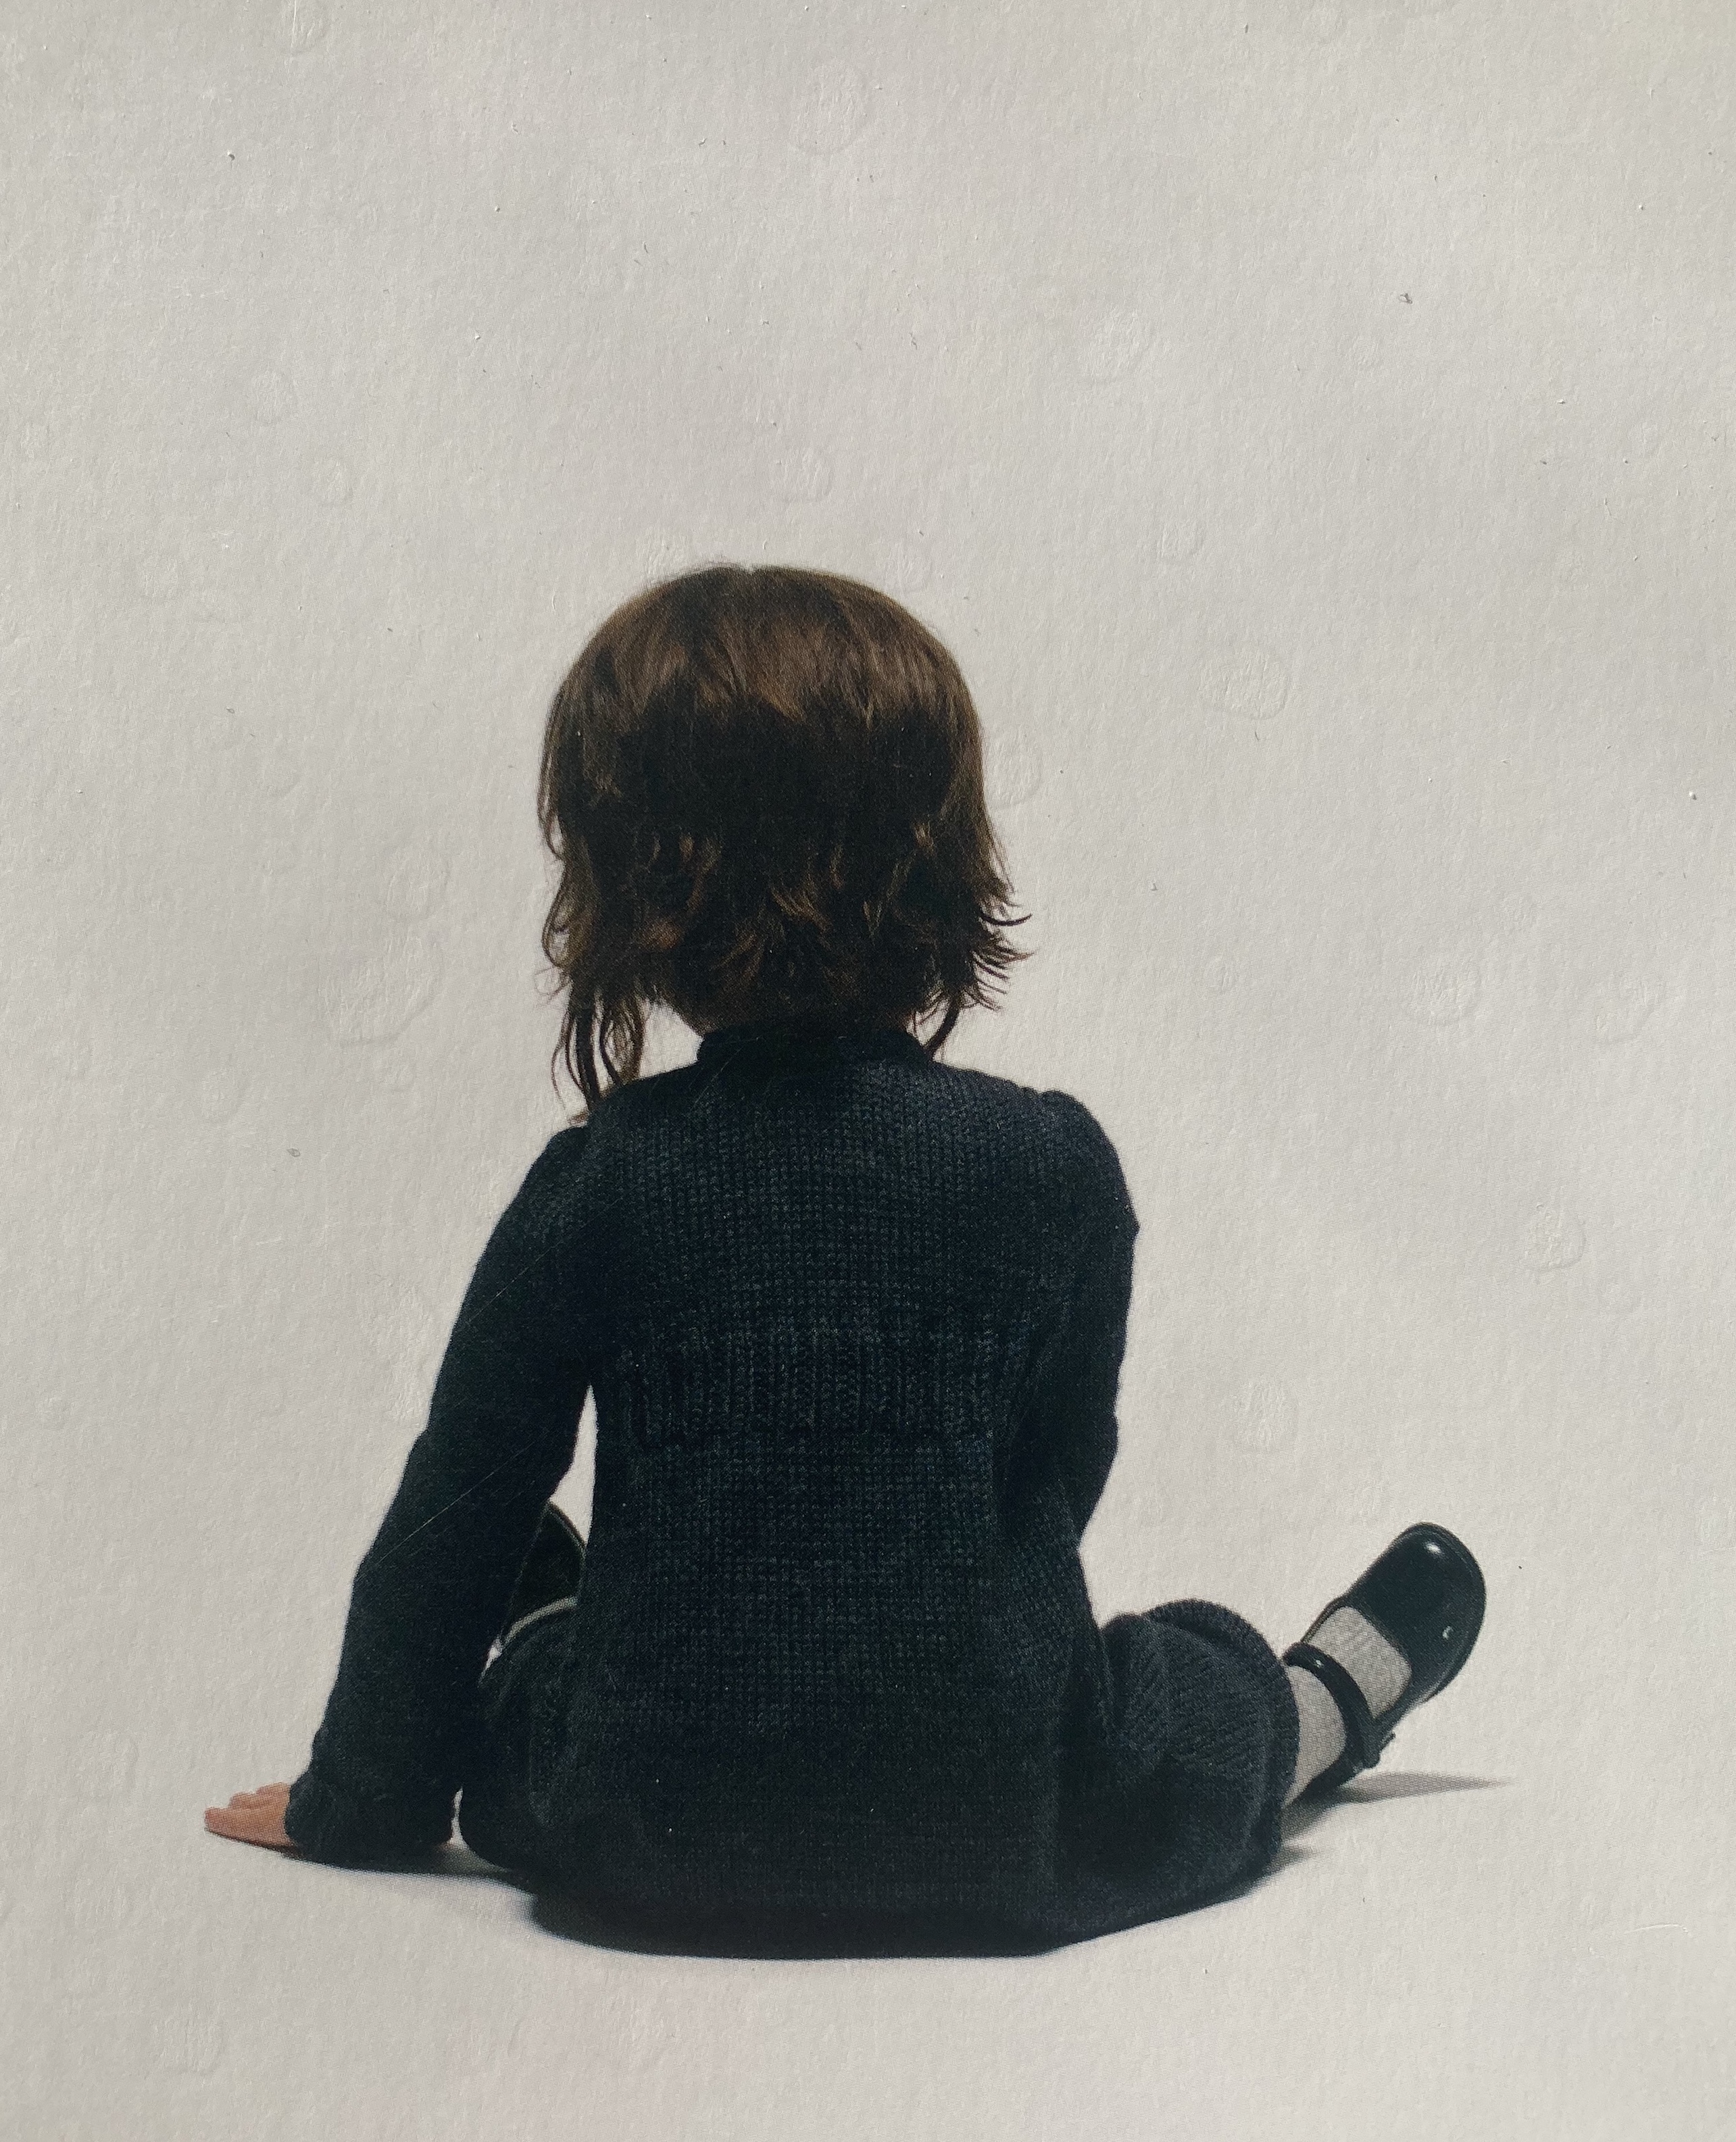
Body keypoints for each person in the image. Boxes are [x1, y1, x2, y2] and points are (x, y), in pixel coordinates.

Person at [205, 564, 1485, 1949]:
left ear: (630, 880)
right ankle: (1335, 1693)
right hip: (992, 1822)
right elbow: (1056, 1476)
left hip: (644, 1836)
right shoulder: (1051, 1165)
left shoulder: (599, 1180)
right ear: (943, 862)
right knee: (1196, 1700)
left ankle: (561, 1616)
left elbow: (455, 1511)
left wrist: (361, 1804)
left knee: (537, 1695)